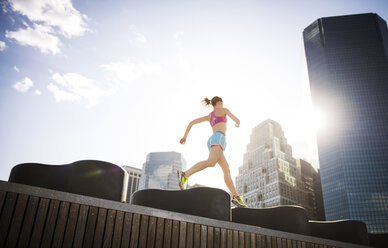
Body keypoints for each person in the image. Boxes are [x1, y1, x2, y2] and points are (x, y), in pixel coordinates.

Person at [178, 96, 247, 207]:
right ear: (219, 102)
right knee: (211, 162)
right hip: (219, 137)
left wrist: (185, 137)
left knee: (226, 169)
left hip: (213, 140)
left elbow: (192, 122)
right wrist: (237, 123)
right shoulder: (224, 110)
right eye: (222, 102)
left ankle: (236, 196)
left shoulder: (209, 116)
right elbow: (237, 120)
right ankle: (185, 174)